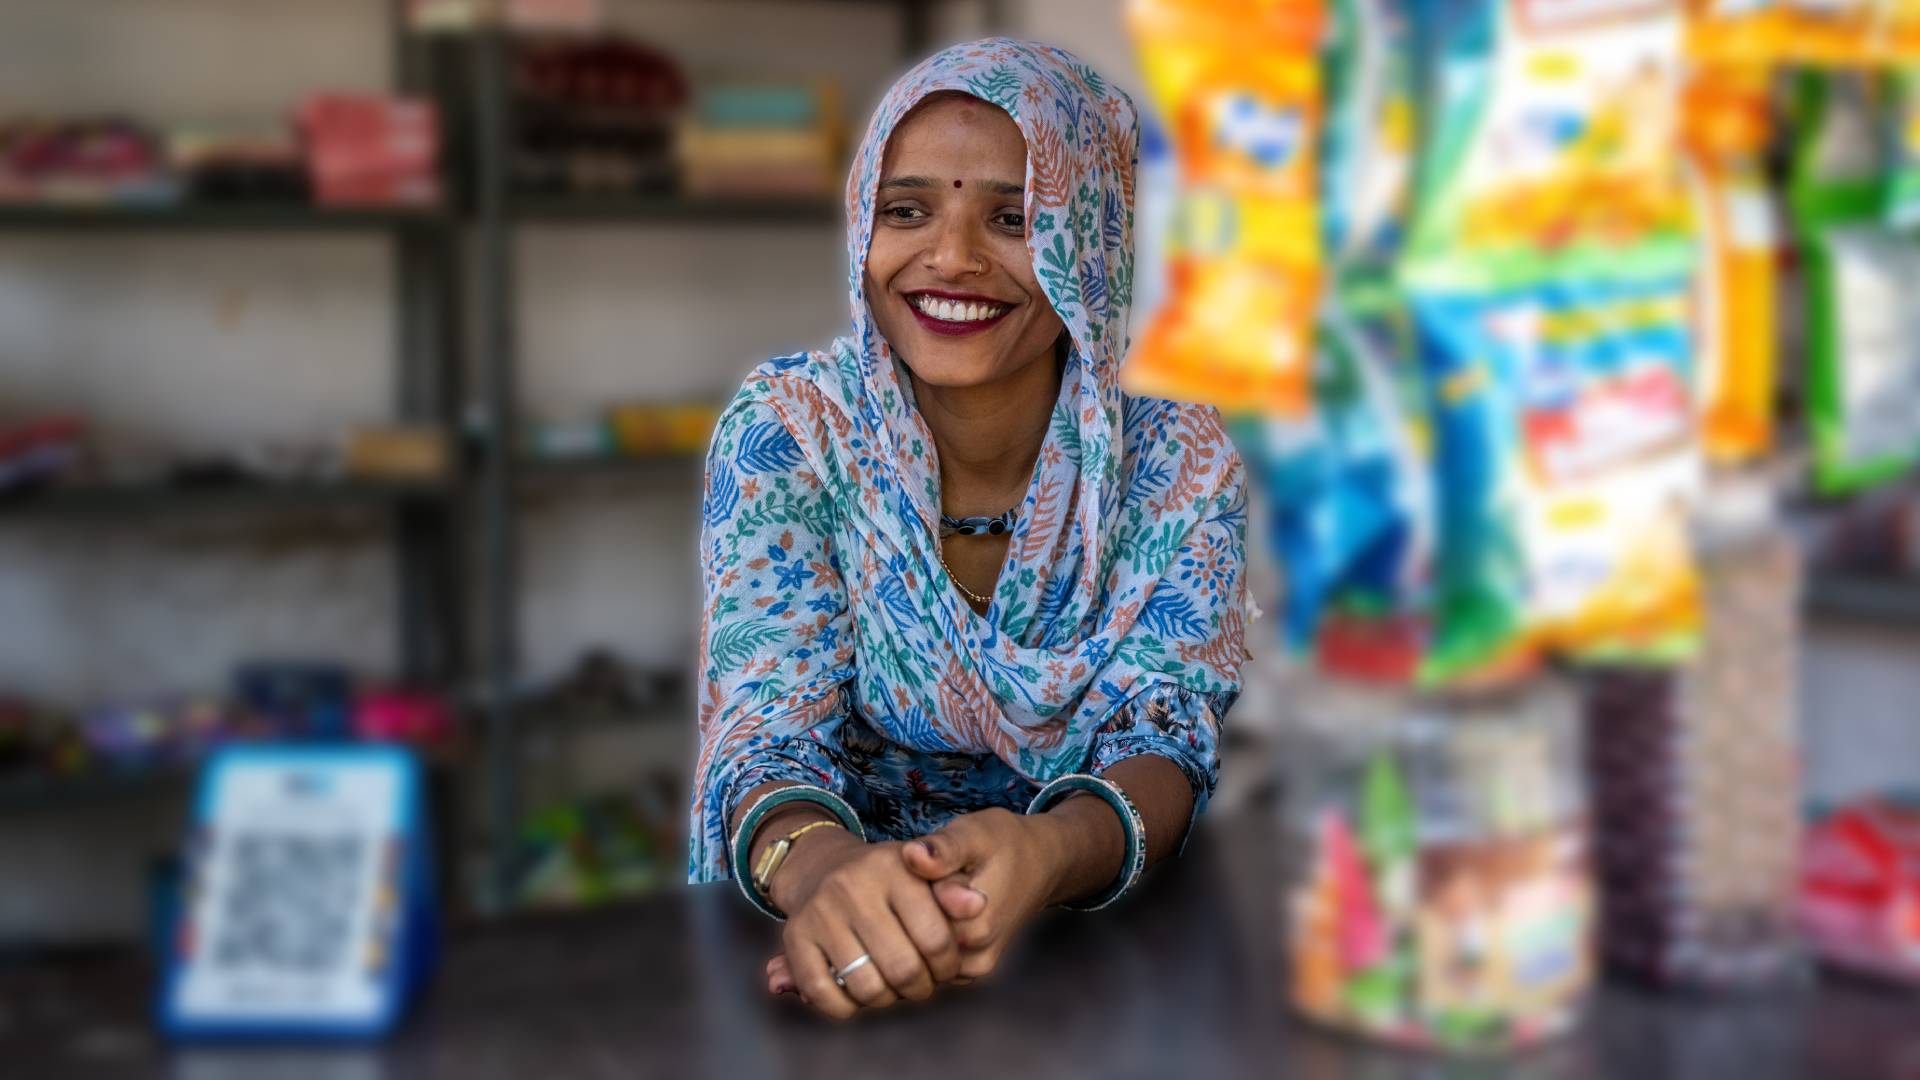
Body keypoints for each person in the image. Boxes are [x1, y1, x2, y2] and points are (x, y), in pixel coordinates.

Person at [689, 38, 1249, 1020]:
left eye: (1015, 218)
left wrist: (1050, 850)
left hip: (1100, 962)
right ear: (863, 225)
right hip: (838, 946)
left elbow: (1167, 730)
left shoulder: (1178, 458)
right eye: (907, 211)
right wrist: (831, 882)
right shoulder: (794, 433)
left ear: (1095, 244)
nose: (950, 257)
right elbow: (767, 727)